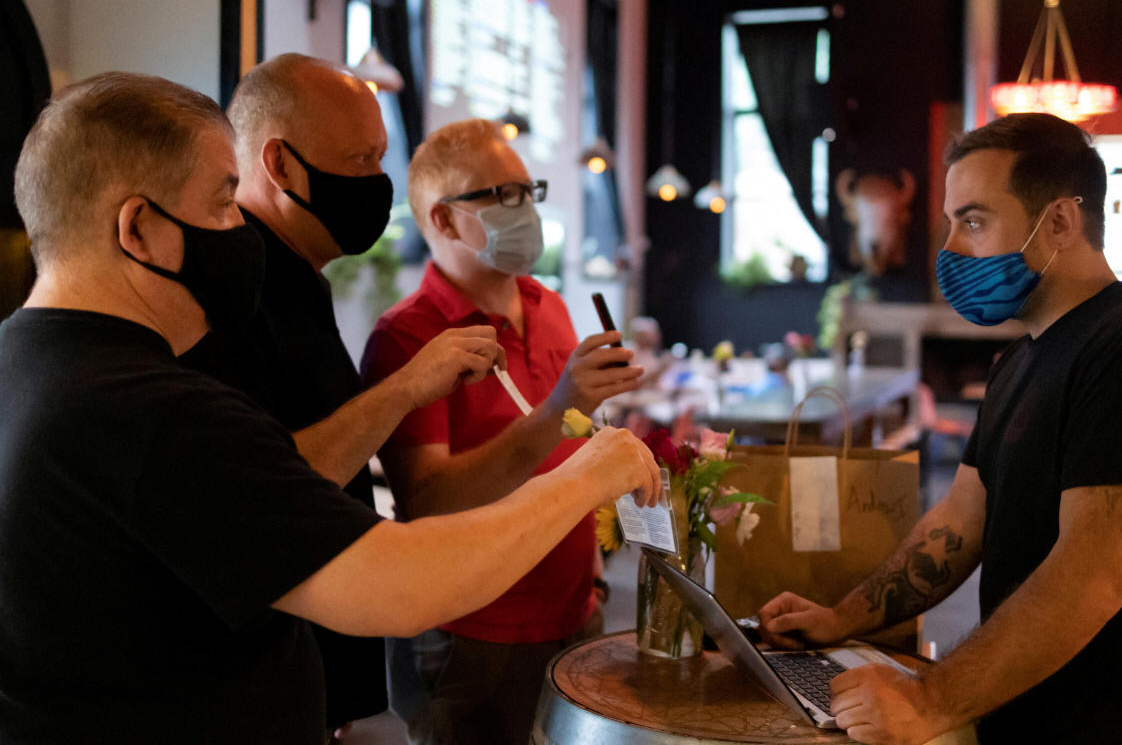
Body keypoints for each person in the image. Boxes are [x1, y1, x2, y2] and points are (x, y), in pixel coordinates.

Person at [0, 72, 661, 744]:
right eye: (225, 203)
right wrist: (586, 477)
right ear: (139, 228)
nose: (243, 229)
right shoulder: (151, 411)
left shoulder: (20, 362)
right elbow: (402, 586)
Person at [758, 112, 1122, 744]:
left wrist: (930, 699)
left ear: (1059, 223)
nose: (951, 250)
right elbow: (959, 523)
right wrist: (839, 619)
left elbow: (1101, 568)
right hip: (1018, 716)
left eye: (972, 221)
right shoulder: (1019, 361)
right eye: (950, 223)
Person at [179, 52, 448, 735]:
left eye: (381, 157)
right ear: (280, 163)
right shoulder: (235, 289)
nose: (379, 182)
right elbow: (266, 488)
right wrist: (406, 387)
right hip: (254, 686)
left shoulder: (298, 276)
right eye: (361, 160)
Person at [359, 118, 645, 745]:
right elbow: (429, 500)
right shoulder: (406, 337)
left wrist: (595, 571)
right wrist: (556, 408)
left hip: (576, 614)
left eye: (529, 191)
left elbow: (574, 449)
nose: (526, 211)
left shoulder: (550, 306)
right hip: (470, 635)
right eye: (503, 195)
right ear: (443, 219)